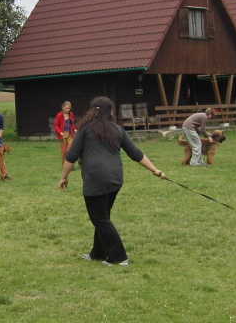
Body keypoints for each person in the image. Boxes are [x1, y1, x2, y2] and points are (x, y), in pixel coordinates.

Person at [59, 96, 166, 266]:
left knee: (100, 219)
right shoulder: (117, 130)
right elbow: (136, 154)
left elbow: (71, 155)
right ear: (110, 112)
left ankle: (118, 257)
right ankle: (98, 253)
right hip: (115, 180)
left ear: (92, 111)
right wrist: (154, 170)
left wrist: (64, 177)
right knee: (102, 216)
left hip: (96, 179)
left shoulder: (84, 129)